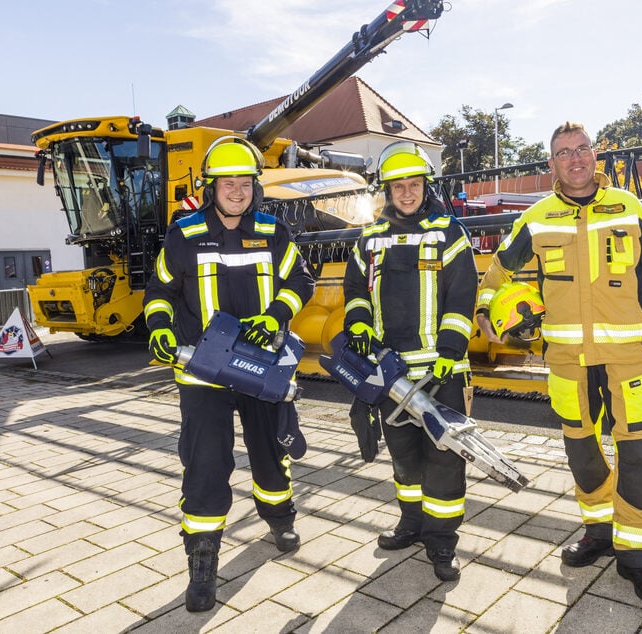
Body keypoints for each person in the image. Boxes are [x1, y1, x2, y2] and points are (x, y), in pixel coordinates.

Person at [476, 122, 642, 606]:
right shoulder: (538, 216)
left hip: (627, 359)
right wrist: (485, 309)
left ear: (595, 156)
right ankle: (599, 532)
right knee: (581, 453)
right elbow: (499, 267)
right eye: (564, 152)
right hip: (567, 361)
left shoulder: (630, 210)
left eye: (582, 149)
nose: (574, 158)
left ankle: (638, 558)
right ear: (552, 164)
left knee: (636, 457)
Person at [142, 137, 316, 612]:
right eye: (227, 183)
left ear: (254, 187)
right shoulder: (183, 234)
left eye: (244, 182)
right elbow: (159, 290)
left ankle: (280, 517)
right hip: (203, 374)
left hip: (260, 369)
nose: (236, 191)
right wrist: (158, 325)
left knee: (269, 453)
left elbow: (300, 279)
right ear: (211, 186)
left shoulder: (273, 230)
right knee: (205, 468)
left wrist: (277, 315)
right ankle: (202, 562)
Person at [343, 141, 478, 581]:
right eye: (398, 186)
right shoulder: (369, 237)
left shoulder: (449, 232)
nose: (406, 193)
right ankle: (412, 523)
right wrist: (359, 325)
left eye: (414, 184)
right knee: (403, 457)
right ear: (387, 189)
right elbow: (355, 293)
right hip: (391, 373)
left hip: (441, 372)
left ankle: (442, 543)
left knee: (445, 459)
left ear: (426, 186)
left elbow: (462, 296)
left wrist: (451, 352)